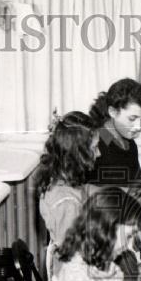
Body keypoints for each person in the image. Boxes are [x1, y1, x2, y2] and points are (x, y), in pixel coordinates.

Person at [37, 111, 100, 268]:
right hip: (71, 277)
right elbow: (73, 259)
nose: (99, 153)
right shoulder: (67, 202)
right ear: (79, 154)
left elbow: (84, 191)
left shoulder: (59, 180)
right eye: (95, 147)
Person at [87, 78, 141, 185]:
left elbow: (137, 185)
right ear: (112, 112)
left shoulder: (130, 144)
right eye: (132, 119)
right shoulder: (95, 145)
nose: (139, 127)